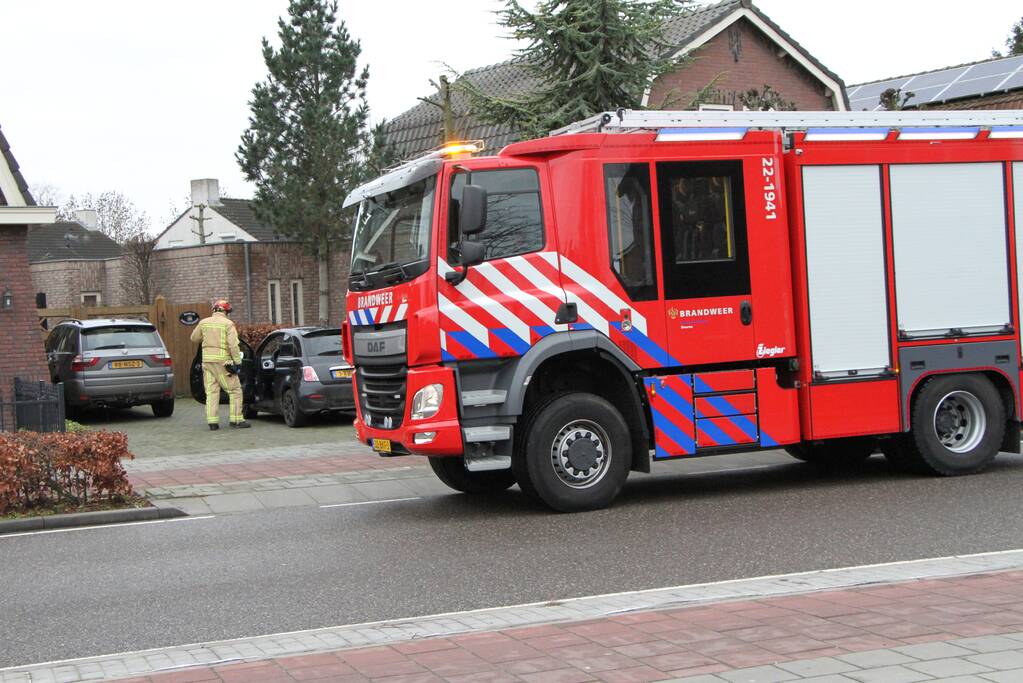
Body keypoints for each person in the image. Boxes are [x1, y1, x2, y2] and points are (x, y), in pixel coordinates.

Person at [190, 299, 250, 430]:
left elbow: (194, 338)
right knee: (235, 390)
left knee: (211, 392)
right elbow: (233, 345)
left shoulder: (204, 322)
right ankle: (237, 420)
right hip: (223, 362)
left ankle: (212, 423)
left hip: (207, 362)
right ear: (226, 311)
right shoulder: (228, 324)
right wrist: (238, 362)